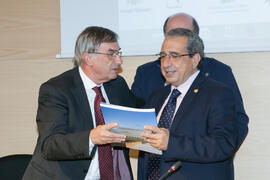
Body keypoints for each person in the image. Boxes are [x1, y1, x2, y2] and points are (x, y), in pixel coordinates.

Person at [23, 26, 135, 180]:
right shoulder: (56, 89)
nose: (119, 60)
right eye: (111, 54)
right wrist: (91, 138)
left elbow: (136, 117)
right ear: (88, 58)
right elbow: (50, 145)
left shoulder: (117, 85)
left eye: (118, 53)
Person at [131, 12, 248, 148]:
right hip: (155, 166)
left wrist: (220, 154)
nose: (168, 63)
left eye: (183, 34)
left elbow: (236, 123)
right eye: (172, 34)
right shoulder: (147, 74)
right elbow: (135, 121)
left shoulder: (219, 73)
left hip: (200, 165)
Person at [138, 28, 238, 180]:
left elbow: (223, 144)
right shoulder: (157, 96)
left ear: (195, 59)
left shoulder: (218, 93)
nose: (166, 63)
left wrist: (170, 143)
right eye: (163, 56)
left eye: (175, 56)